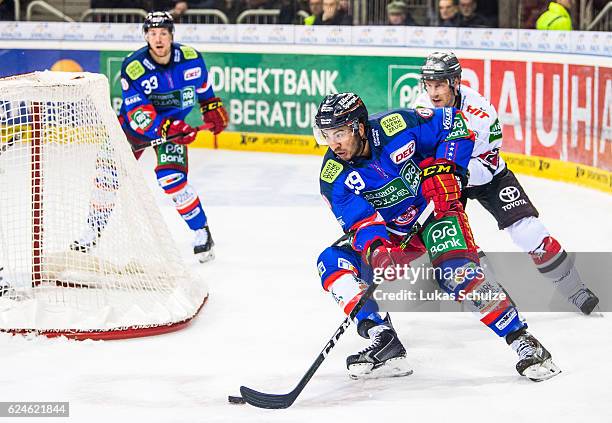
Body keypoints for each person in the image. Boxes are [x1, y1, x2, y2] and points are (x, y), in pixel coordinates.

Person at [314, 92, 560, 382]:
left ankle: (523, 341)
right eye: (327, 135)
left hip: (437, 212)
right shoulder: (333, 176)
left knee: (457, 275)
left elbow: (454, 124)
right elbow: (360, 223)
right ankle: (384, 339)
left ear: (360, 127)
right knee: (332, 261)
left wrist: (447, 169)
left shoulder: (397, 125)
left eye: (340, 133)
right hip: (395, 233)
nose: (334, 143)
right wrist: (378, 251)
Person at [412, 52, 598, 314]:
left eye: (439, 84)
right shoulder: (422, 107)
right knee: (451, 242)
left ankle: (575, 288)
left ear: (455, 82)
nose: (433, 92)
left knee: (527, 230)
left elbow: (486, 167)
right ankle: (491, 291)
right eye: (429, 84)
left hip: (484, 175)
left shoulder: (481, 112)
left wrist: (456, 175)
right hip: (447, 176)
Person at [72, 12, 228, 263]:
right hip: (134, 129)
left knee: (172, 179)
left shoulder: (191, 58)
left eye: (163, 33)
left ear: (171, 36)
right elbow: (137, 113)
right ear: (146, 36)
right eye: (153, 33)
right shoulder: (133, 66)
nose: (158, 39)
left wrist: (211, 108)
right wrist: (167, 128)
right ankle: (92, 230)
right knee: (106, 176)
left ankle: (201, 231)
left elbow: (205, 92)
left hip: (173, 129)